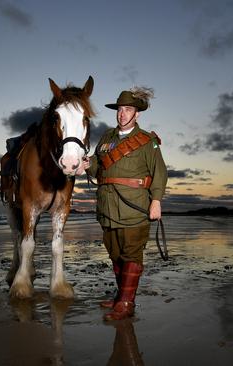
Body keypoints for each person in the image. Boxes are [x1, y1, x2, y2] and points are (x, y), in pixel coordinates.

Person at [83, 87, 167, 321]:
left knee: (131, 255)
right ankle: (121, 296)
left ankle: (127, 304)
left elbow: (159, 172)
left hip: (134, 209)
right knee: (115, 254)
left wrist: (156, 201)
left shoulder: (147, 141)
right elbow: (98, 168)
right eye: (120, 109)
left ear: (137, 114)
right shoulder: (106, 138)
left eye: (128, 109)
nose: (122, 114)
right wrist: (85, 164)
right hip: (107, 210)